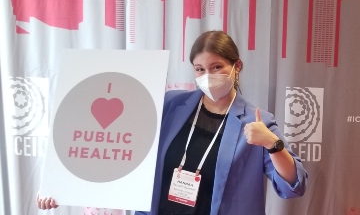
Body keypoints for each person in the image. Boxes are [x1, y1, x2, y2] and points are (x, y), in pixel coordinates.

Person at [37, 31, 307, 214]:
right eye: (200, 69)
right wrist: (61, 185)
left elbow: (293, 185)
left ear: (237, 67)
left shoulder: (256, 121)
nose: (208, 75)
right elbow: (115, 146)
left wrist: (273, 144)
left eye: (217, 67)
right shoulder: (170, 105)